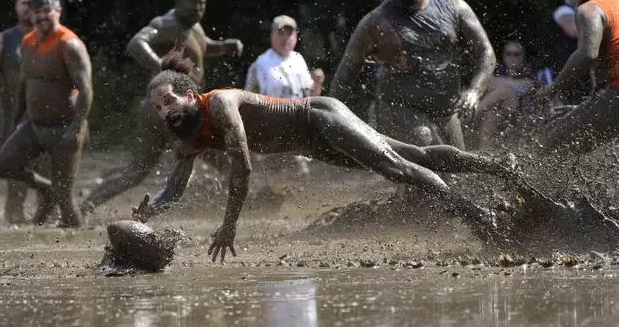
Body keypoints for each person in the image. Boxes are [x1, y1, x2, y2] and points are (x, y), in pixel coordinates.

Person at [131, 48, 523, 263]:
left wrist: (229, 226)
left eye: (169, 101)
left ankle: (477, 215)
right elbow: (173, 189)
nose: (166, 111)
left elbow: (244, 167)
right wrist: (151, 211)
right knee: (414, 154)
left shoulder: (219, 104)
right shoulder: (187, 137)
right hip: (312, 145)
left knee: (395, 166)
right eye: (159, 108)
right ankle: (496, 167)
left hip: (319, 116)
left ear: (188, 93)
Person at [79, 0, 243, 216]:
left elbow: (202, 46)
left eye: (201, 3)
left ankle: (86, 205)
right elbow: (136, 43)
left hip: (158, 110)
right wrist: (161, 67)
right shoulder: (167, 23)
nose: (197, 8)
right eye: (191, 3)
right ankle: (241, 204)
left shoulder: (194, 27)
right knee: (216, 155)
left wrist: (224, 46)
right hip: (168, 110)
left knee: (136, 172)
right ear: (178, 2)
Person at [329, 0, 496, 150]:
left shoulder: (454, 8)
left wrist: (474, 91)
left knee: (457, 168)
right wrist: (333, 120)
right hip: (398, 110)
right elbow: (346, 72)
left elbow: (486, 53)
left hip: (446, 109)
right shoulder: (376, 22)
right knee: (430, 149)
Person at [0, 0, 93, 228]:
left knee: (66, 202)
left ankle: (77, 248)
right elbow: (25, 84)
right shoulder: (27, 43)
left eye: (47, 11)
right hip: (34, 127)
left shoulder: (70, 44)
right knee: (2, 165)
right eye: (37, 12)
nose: (41, 16)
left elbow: (86, 90)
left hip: (65, 127)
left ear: (58, 11)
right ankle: (47, 190)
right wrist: (15, 122)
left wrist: (77, 128)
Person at [0, 0, 52, 224]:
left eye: (35, 2)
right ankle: (15, 224)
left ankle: (47, 225)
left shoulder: (54, 38)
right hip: (14, 120)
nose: (29, 7)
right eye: (25, 2)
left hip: (46, 118)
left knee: (49, 172)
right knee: (16, 181)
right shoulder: (2, 41)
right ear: (16, 6)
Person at [536, 0, 619, 155]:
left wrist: (552, 90)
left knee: (547, 147)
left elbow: (587, 54)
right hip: (610, 94)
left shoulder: (592, 8)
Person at [244, 14, 325, 175]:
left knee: (301, 176)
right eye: (281, 33)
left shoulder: (298, 59)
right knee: (278, 178)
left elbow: (311, 95)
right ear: (272, 35)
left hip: (299, 129)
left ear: (295, 36)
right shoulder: (261, 65)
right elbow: (247, 101)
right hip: (273, 131)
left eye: (290, 33)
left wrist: (317, 83)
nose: (285, 38)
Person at [475, 39, 536, 149]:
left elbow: (528, 86)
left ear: (523, 56)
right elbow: (485, 85)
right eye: (508, 54)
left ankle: (471, 113)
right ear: (503, 55)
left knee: (505, 91)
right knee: (491, 113)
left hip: (519, 114)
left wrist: (502, 84)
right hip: (499, 110)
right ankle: (484, 151)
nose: (512, 57)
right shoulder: (499, 70)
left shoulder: (528, 72)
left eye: (516, 54)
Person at [550, 0, 595, 105]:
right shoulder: (562, 10)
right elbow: (573, 31)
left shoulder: (582, 10)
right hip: (565, 69)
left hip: (580, 70)